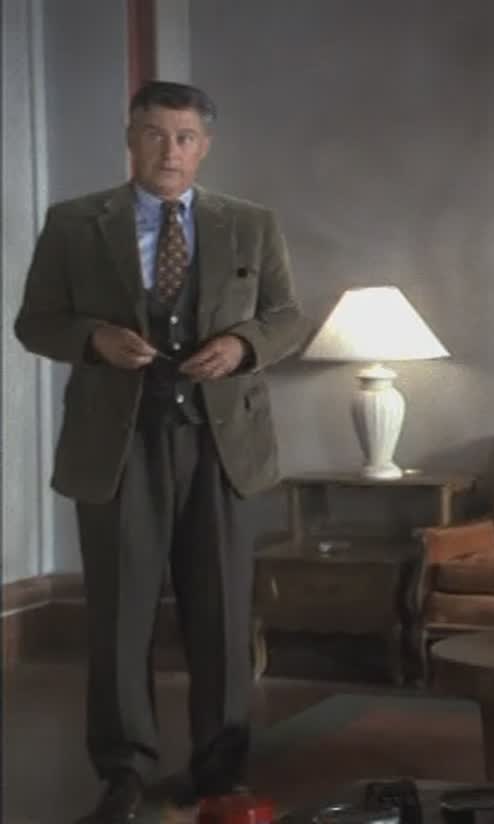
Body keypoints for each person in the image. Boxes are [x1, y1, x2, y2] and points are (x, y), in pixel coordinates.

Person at [14, 81, 309, 823]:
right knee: (120, 618)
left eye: (183, 137)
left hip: (223, 444)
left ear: (204, 146)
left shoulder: (251, 224)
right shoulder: (75, 223)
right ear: (130, 139)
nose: (168, 151)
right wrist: (93, 338)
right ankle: (124, 775)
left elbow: (286, 317)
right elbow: (34, 322)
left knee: (221, 615)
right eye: (153, 134)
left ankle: (221, 773)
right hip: (116, 445)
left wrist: (242, 346)